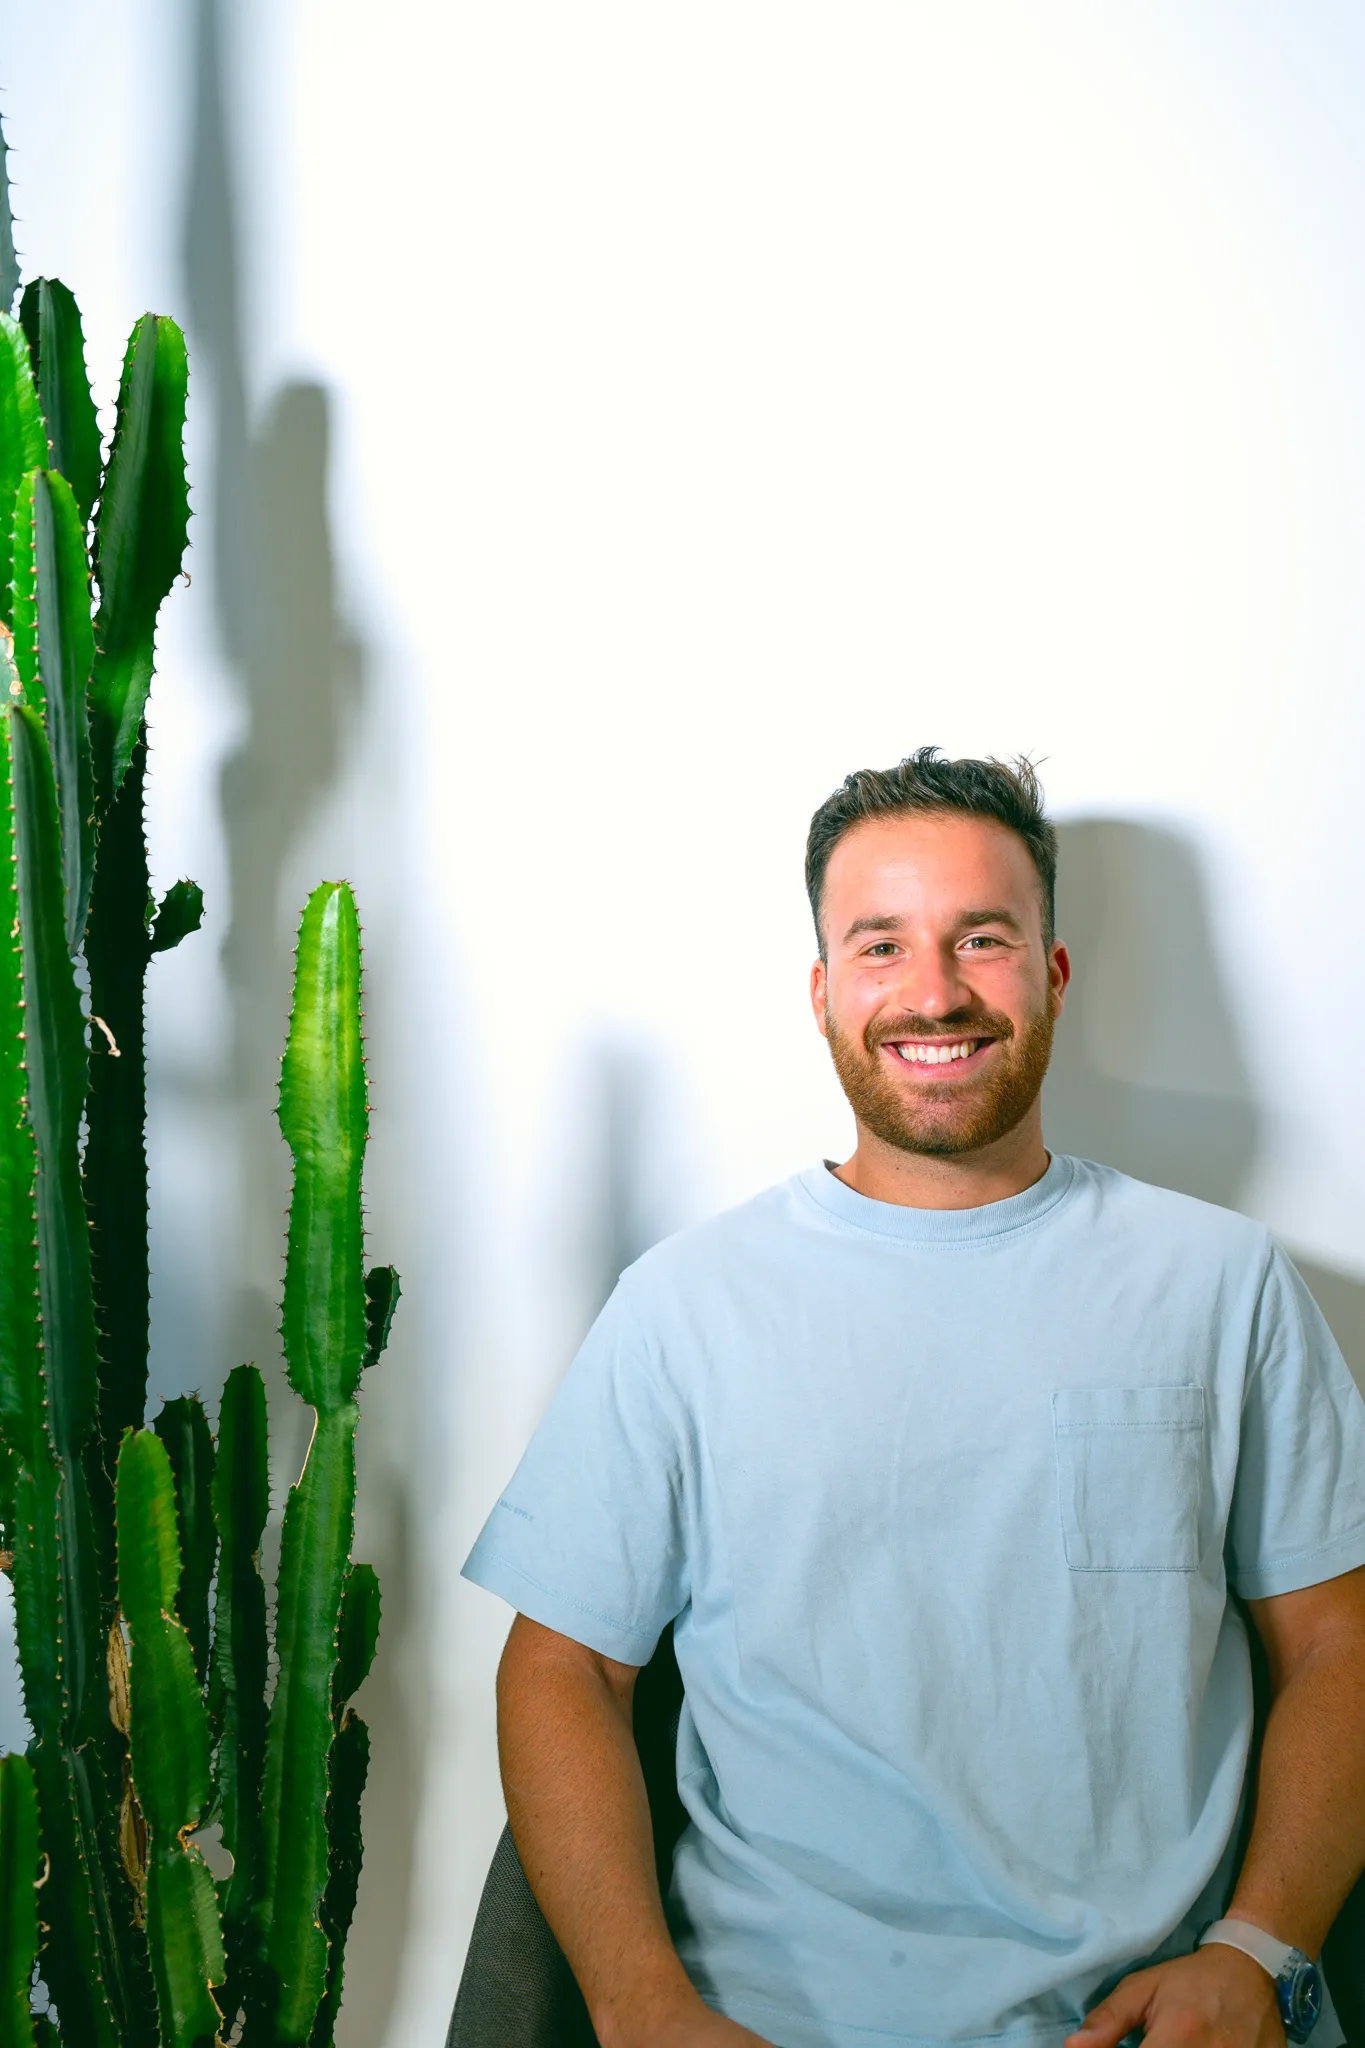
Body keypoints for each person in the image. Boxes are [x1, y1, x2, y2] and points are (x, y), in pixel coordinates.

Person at [461, 748, 1365, 2048]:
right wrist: (639, 2003)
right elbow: (564, 1669)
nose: (933, 990)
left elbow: (1338, 1644)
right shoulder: (684, 1306)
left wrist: (1259, 1951)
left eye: (981, 938)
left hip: (1164, 2026)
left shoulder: (1223, 1285)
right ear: (824, 994)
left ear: (1053, 972)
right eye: (881, 947)